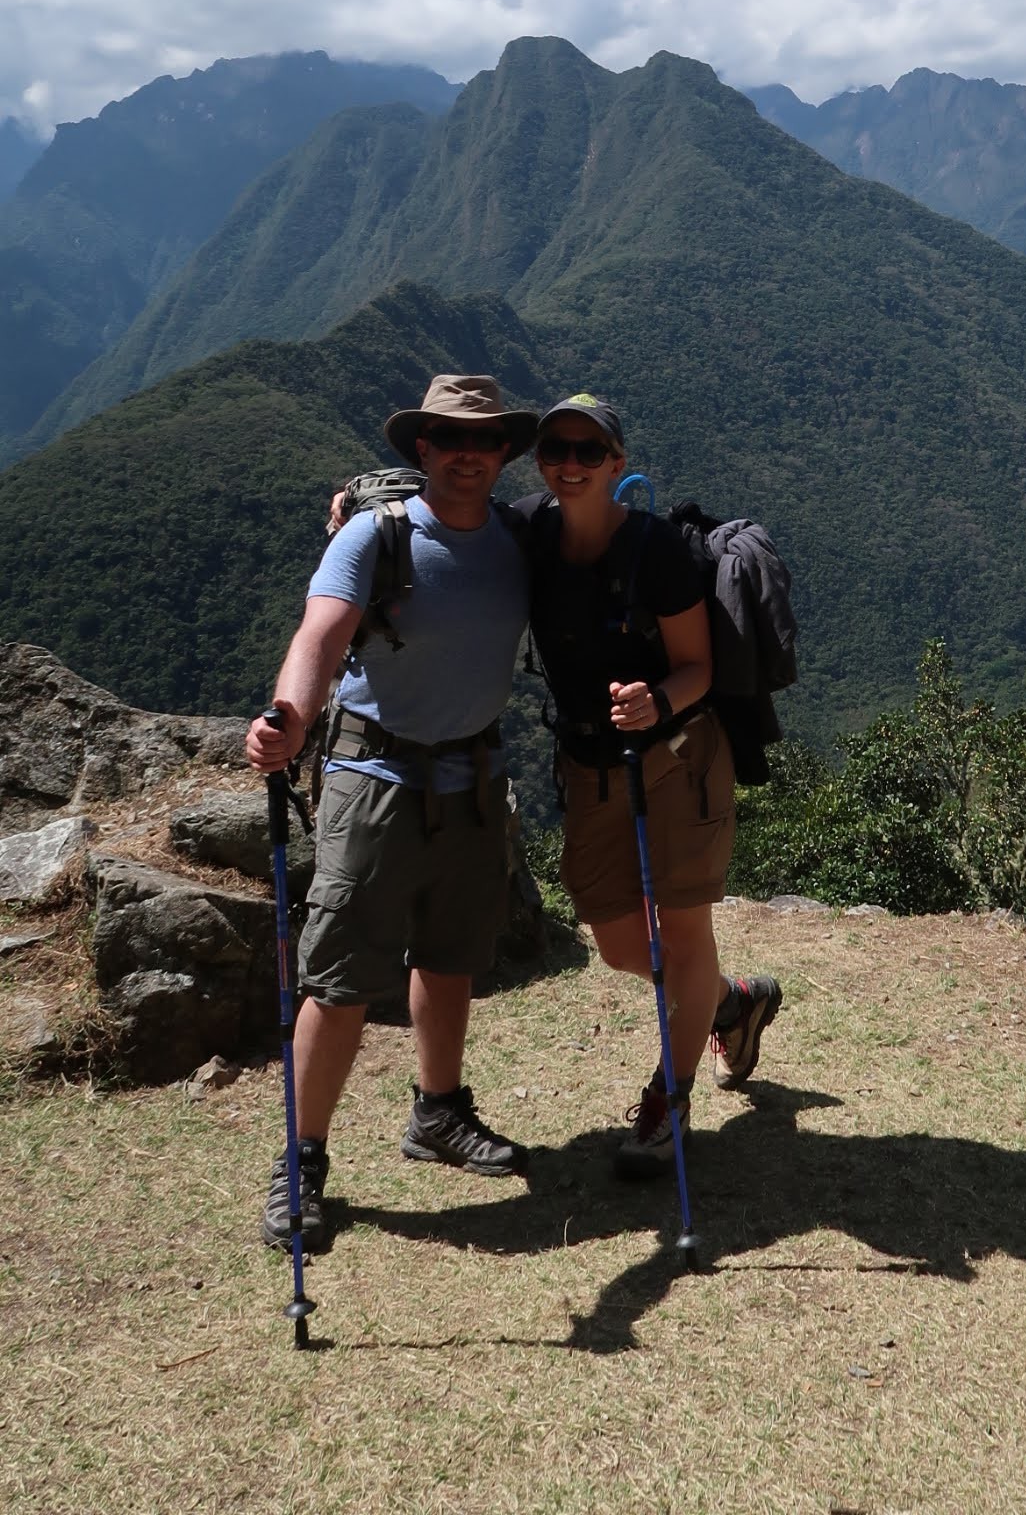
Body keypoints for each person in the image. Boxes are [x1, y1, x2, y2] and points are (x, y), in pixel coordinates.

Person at [245, 373, 539, 1254]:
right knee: (340, 978)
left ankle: (438, 1113)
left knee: (451, 957)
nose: (467, 453)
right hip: (373, 776)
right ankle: (301, 1161)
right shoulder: (375, 536)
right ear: (422, 447)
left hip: (474, 779)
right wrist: (289, 718)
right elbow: (320, 634)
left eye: (483, 440)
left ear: (502, 452)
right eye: (450, 438)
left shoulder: (519, 538)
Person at [517, 392, 782, 1176]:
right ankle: (730, 1002)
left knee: (683, 935)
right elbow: (446, 517)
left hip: (676, 762)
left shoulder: (656, 552)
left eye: (588, 452)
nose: (570, 464)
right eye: (556, 450)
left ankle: (670, 1100)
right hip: (590, 769)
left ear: (617, 464)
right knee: (617, 943)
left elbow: (698, 666)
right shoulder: (528, 528)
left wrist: (657, 700)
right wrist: (362, 510)